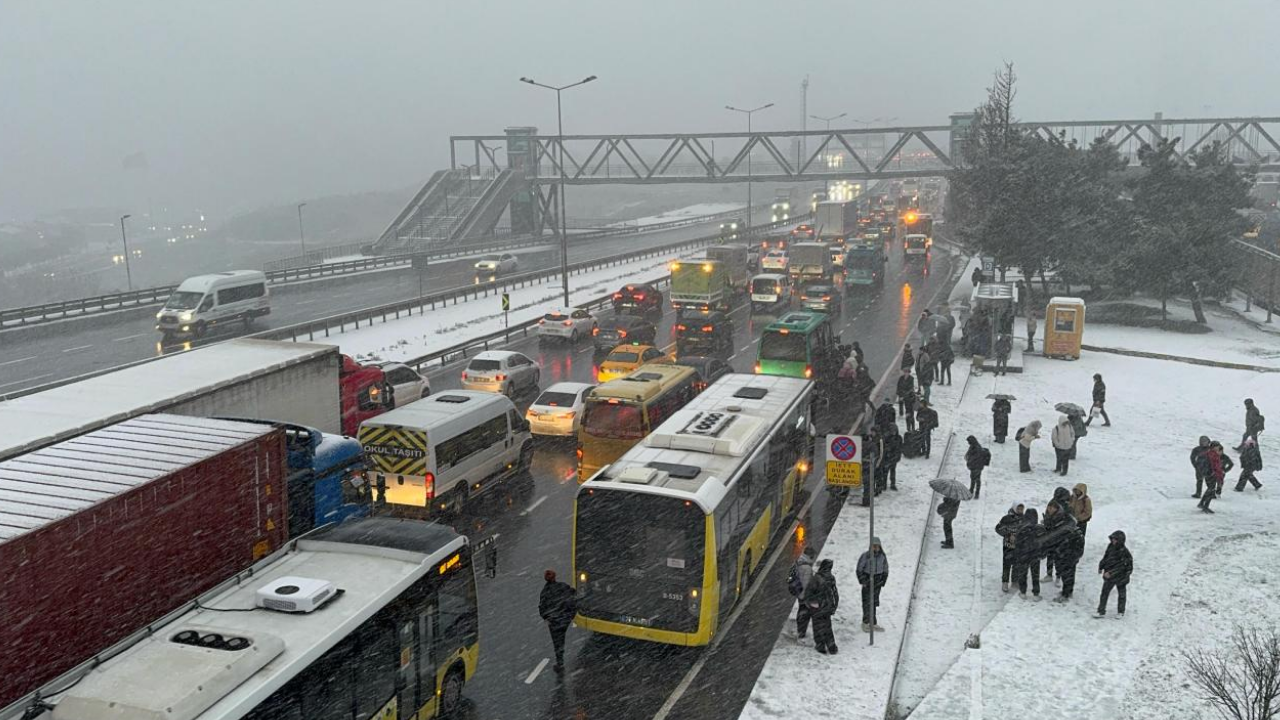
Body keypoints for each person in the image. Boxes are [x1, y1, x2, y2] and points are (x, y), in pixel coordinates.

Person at [539, 570, 577, 671]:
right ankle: (560, 659)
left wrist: (546, 618)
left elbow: (542, 607)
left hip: (554, 622)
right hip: (565, 620)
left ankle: (560, 662)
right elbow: (573, 595)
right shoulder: (563, 586)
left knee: (557, 642)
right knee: (561, 638)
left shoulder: (545, 592)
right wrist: (571, 615)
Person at [804, 558, 840, 654]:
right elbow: (835, 594)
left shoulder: (816, 578)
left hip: (817, 607)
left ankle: (820, 647)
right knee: (827, 627)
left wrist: (810, 603)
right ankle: (832, 647)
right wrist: (834, 606)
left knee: (817, 627)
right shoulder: (831, 578)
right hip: (827, 607)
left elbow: (808, 593)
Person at [1096, 530, 1133, 617]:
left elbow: (1123, 567)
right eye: (1112, 539)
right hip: (1110, 576)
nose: (1113, 541)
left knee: (1121, 595)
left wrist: (1111, 573)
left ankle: (1121, 611)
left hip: (1121, 577)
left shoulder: (1124, 552)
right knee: (1104, 593)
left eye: (1115, 539)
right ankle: (1101, 611)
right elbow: (1106, 557)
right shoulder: (1110, 547)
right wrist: (1101, 566)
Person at [856, 539, 888, 633]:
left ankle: (873, 622)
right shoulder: (865, 556)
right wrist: (863, 581)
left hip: (877, 581)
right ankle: (865, 622)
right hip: (868, 580)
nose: (875, 548)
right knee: (867, 602)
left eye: (877, 546)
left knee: (874, 602)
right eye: (874, 546)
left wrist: (883, 580)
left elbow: (885, 568)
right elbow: (859, 569)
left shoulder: (882, 556)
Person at [1013, 508, 1044, 599]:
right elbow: (1043, 542)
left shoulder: (1021, 528)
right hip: (1035, 555)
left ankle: (1023, 592)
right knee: (1035, 574)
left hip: (1023, 555)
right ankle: (1036, 593)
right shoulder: (1039, 528)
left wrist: (1018, 554)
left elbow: (1017, 542)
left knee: (1023, 574)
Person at [787, 547, 817, 638]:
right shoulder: (807, 568)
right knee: (804, 614)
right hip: (804, 595)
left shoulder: (799, 561)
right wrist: (805, 597)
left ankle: (800, 630)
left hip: (798, 591)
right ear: (810, 555)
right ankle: (801, 632)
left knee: (801, 611)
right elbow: (806, 583)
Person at [996, 503, 1025, 592]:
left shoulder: (1024, 519)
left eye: (1021, 509)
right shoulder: (1006, 518)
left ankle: (1015, 580)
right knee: (1007, 564)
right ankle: (1005, 581)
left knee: (1017, 563)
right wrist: (1008, 534)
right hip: (1008, 545)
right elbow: (998, 528)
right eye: (1018, 508)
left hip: (1019, 546)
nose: (1020, 511)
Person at [1053, 525, 1085, 602]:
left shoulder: (1074, 535)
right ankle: (1068, 591)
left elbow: (1074, 548)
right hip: (1070, 559)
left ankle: (1065, 594)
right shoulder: (1076, 534)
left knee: (1067, 576)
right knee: (1069, 576)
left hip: (1069, 559)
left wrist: (1064, 554)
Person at [1198, 441, 1233, 513]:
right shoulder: (1212, 455)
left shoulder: (1209, 453)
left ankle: (1202, 503)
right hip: (1212, 475)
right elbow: (1215, 466)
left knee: (1210, 489)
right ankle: (1205, 506)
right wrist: (1214, 473)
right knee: (1211, 491)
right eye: (1217, 446)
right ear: (1213, 447)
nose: (1218, 447)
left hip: (1210, 474)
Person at [883, 425, 903, 491]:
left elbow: (900, 447)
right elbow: (884, 447)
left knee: (893, 471)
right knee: (885, 471)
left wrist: (898, 456)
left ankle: (892, 484)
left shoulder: (899, 438)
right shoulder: (887, 438)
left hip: (894, 457)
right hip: (888, 457)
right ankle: (884, 484)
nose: (894, 432)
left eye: (895, 431)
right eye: (892, 431)